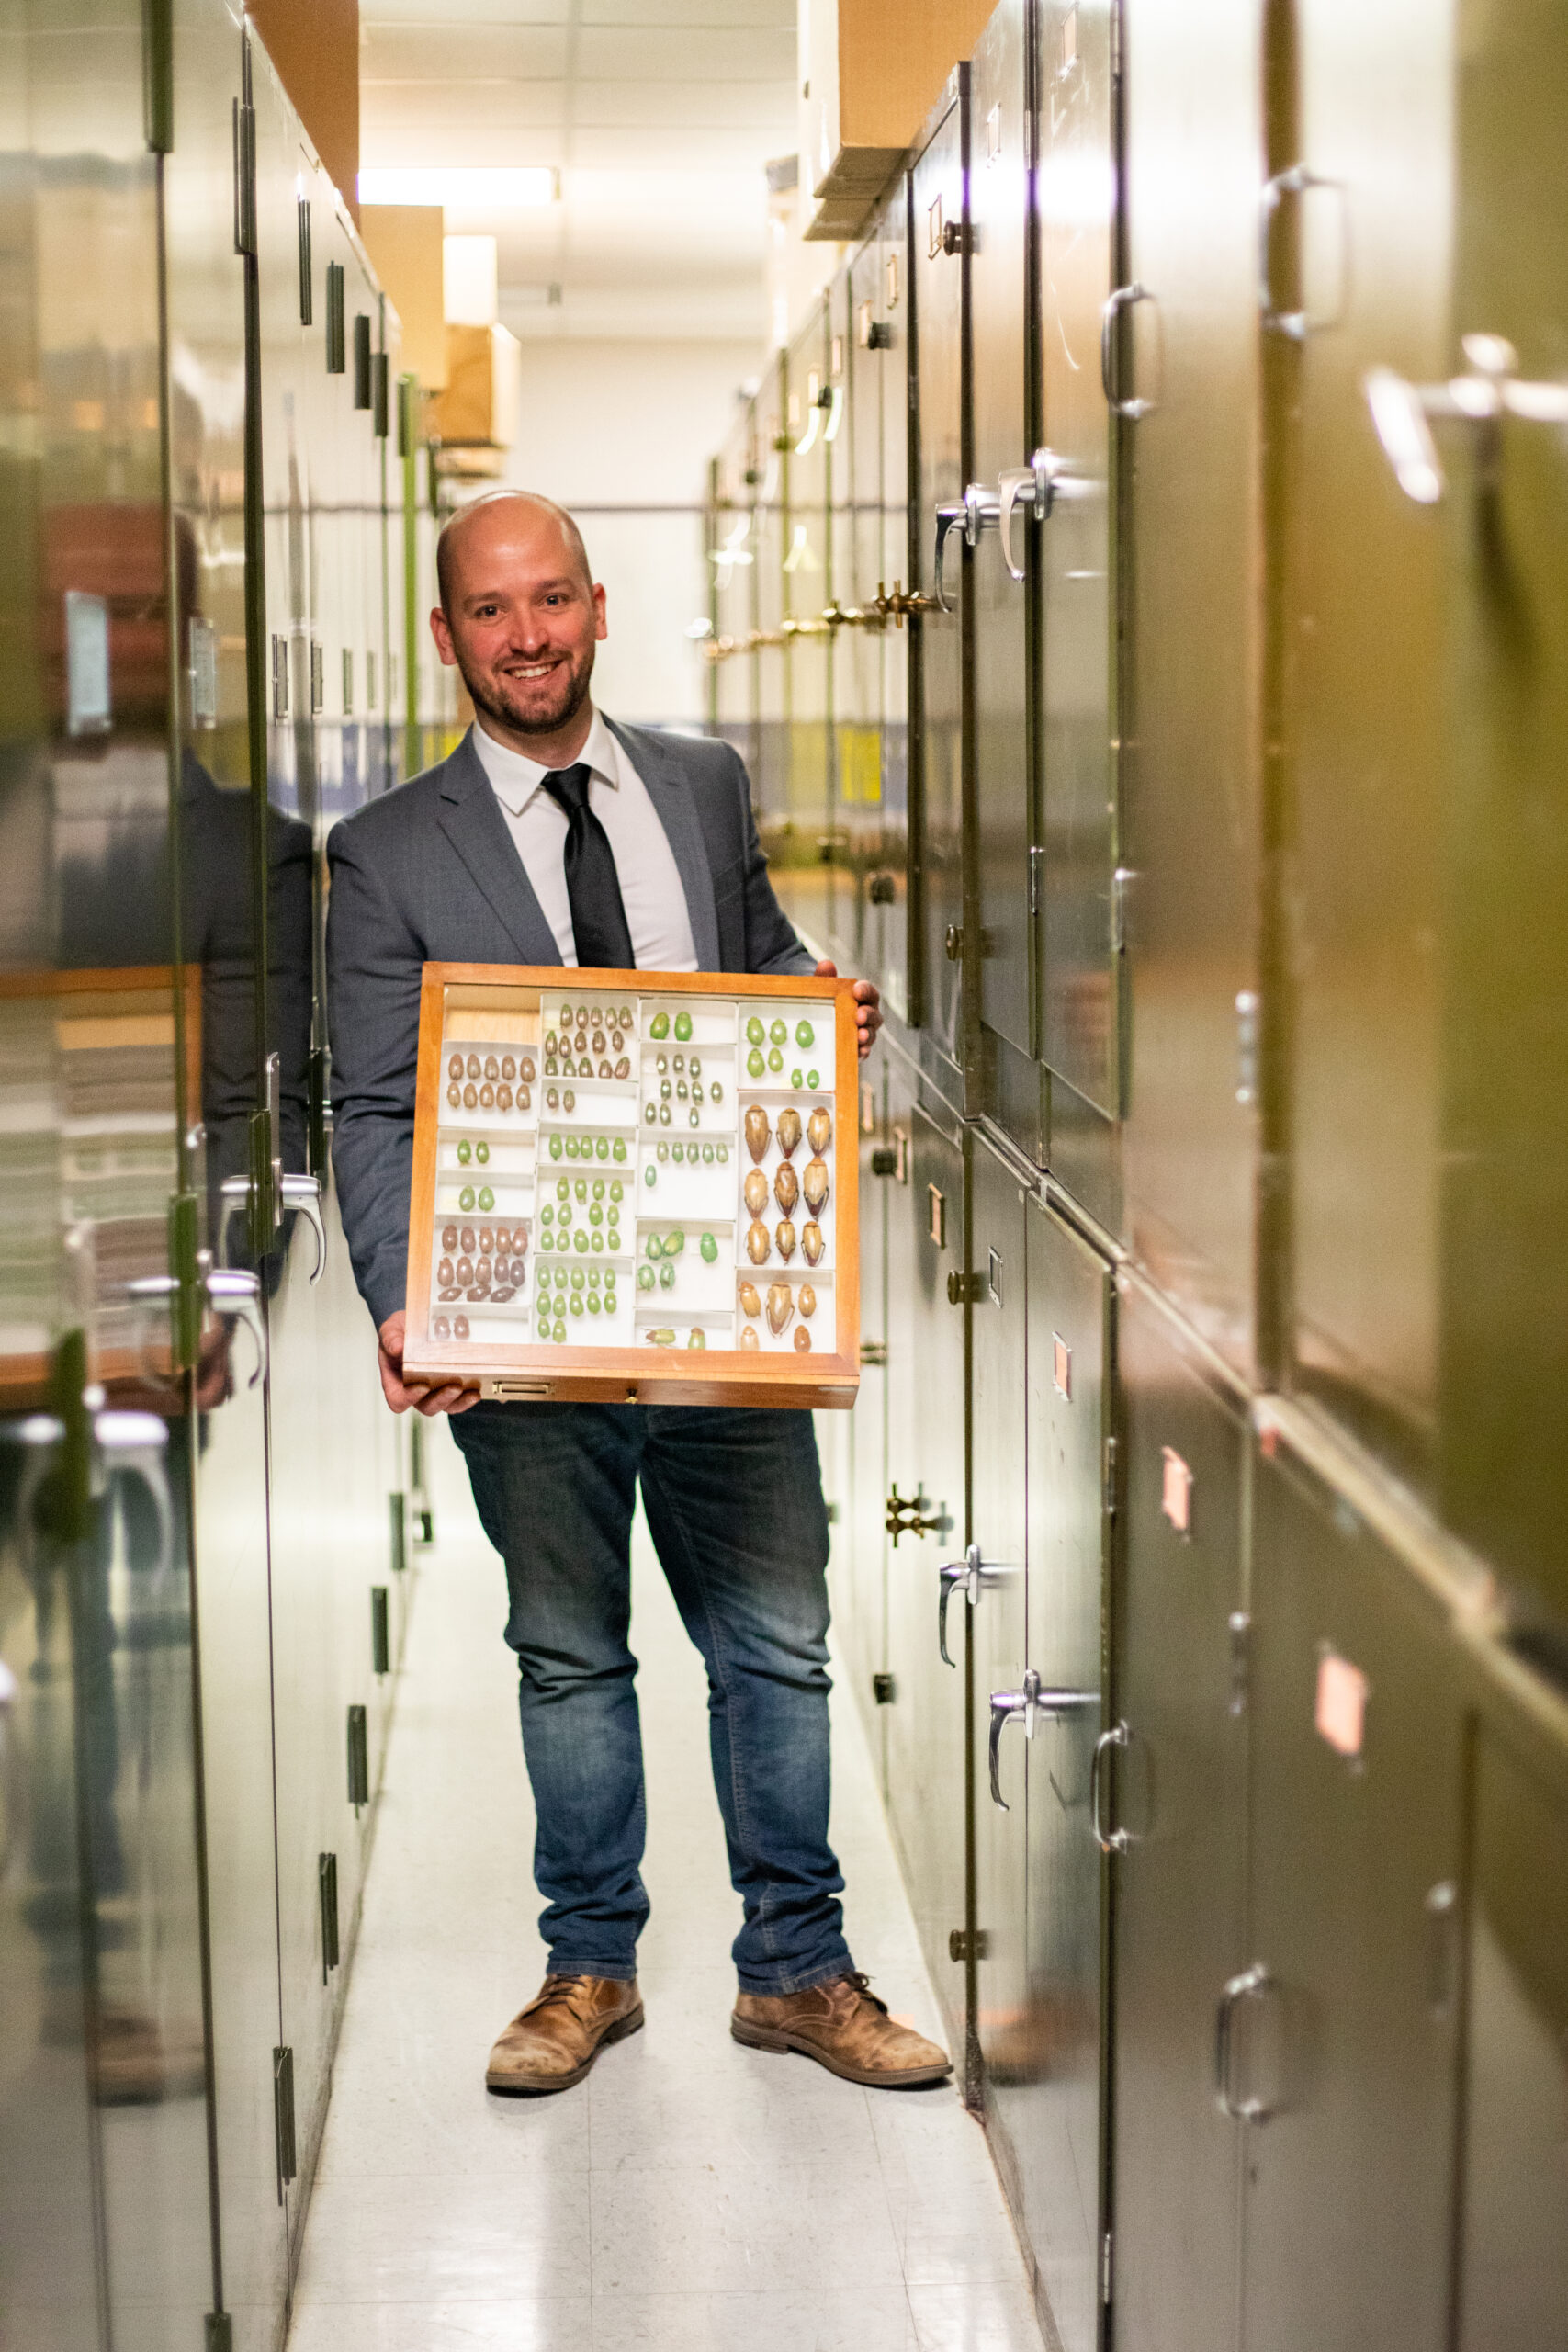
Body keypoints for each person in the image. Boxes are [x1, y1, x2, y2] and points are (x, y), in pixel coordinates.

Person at [325, 491, 951, 2096]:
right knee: (567, 1654)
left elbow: (755, 969)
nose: (525, 636)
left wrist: (819, 1006)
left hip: (722, 1320)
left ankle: (797, 1973)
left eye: (550, 602)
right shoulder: (389, 851)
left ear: (599, 609)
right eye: (489, 610)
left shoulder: (699, 782)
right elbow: (379, 1104)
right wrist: (406, 1302)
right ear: (448, 631)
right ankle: (587, 1966)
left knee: (777, 1645)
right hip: (523, 1334)